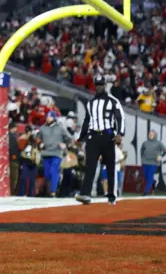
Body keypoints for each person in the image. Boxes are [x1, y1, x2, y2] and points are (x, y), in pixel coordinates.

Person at [76, 75, 126, 205]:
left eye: (101, 85)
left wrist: (120, 133)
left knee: (110, 166)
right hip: (93, 137)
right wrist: (81, 138)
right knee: (90, 166)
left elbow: (120, 117)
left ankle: (111, 195)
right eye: (97, 85)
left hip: (107, 136)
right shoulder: (90, 103)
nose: (99, 87)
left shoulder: (112, 101)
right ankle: (85, 194)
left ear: (105, 85)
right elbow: (87, 121)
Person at [37, 111, 72, 197]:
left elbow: (69, 138)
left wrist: (65, 145)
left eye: (50, 117)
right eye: (47, 117)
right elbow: (37, 138)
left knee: (53, 170)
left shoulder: (60, 128)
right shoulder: (42, 128)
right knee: (47, 174)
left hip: (57, 153)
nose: (48, 118)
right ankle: (51, 188)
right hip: (46, 153)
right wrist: (39, 144)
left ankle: (53, 191)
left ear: (54, 118)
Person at [140, 130, 166, 195]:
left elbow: (165, 150)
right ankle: (153, 182)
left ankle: (146, 192)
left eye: (152, 134)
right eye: (149, 134)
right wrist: (142, 158)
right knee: (146, 176)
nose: (150, 135)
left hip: (154, 163)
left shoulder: (158, 143)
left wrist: (161, 156)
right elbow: (142, 150)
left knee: (149, 177)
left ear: (155, 135)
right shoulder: (145, 143)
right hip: (145, 162)